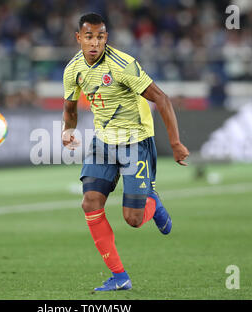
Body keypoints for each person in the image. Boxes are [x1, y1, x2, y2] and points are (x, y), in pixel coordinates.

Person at [62, 13, 189, 292]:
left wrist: (176, 143)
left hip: (135, 142)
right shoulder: (73, 69)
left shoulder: (123, 65)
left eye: (100, 36)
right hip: (103, 143)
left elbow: (162, 99)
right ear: (78, 38)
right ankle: (120, 276)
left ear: (106, 38)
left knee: (132, 220)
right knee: (90, 202)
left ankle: (151, 201)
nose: (94, 42)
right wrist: (67, 130)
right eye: (88, 36)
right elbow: (70, 110)